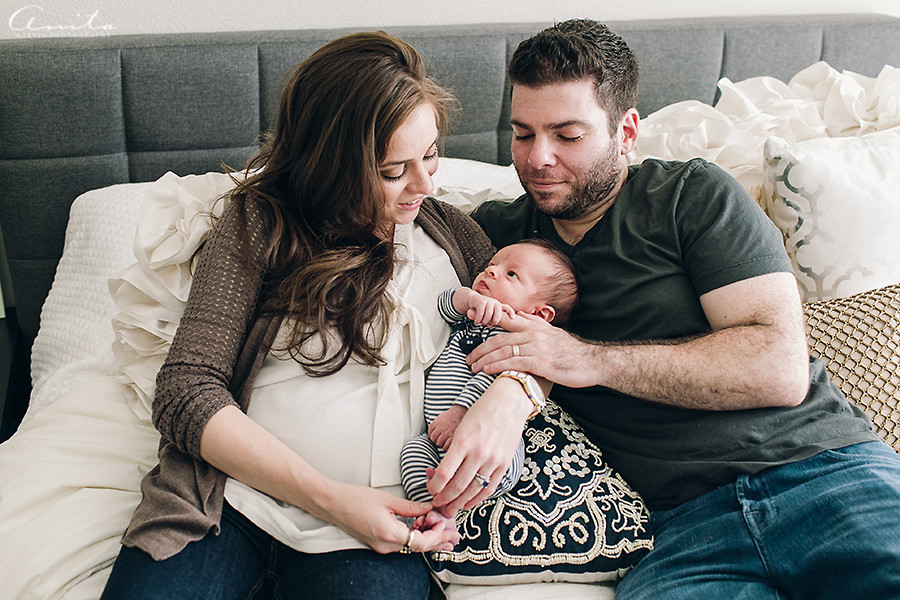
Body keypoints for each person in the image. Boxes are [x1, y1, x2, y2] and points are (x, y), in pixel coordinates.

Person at [427, 18, 900, 599]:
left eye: (567, 135)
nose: (538, 158)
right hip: (679, 530)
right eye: (523, 134)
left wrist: (581, 360)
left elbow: (777, 368)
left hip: (823, 473)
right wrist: (518, 388)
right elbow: (379, 209)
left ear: (626, 132)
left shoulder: (691, 196)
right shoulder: (496, 240)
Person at [100, 31, 534, 600]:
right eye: (392, 170)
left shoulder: (458, 237)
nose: (425, 185)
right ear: (332, 163)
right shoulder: (259, 223)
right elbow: (185, 390)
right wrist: (334, 499)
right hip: (229, 505)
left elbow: (535, 340)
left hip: (377, 534)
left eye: (430, 155)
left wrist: (513, 395)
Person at [400, 240, 577, 534]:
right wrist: (467, 299)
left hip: (491, 448)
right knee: (412, 452)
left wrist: (460, 412)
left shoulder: (516, 338)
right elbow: (444, 306)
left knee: (467, 474)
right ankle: (430, 512)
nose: (492, 271)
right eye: (492, 265)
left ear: (540, 314)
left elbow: (493, 378)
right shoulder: (477, 316)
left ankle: (448, 512)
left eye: (511, 274)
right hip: (435, 437)